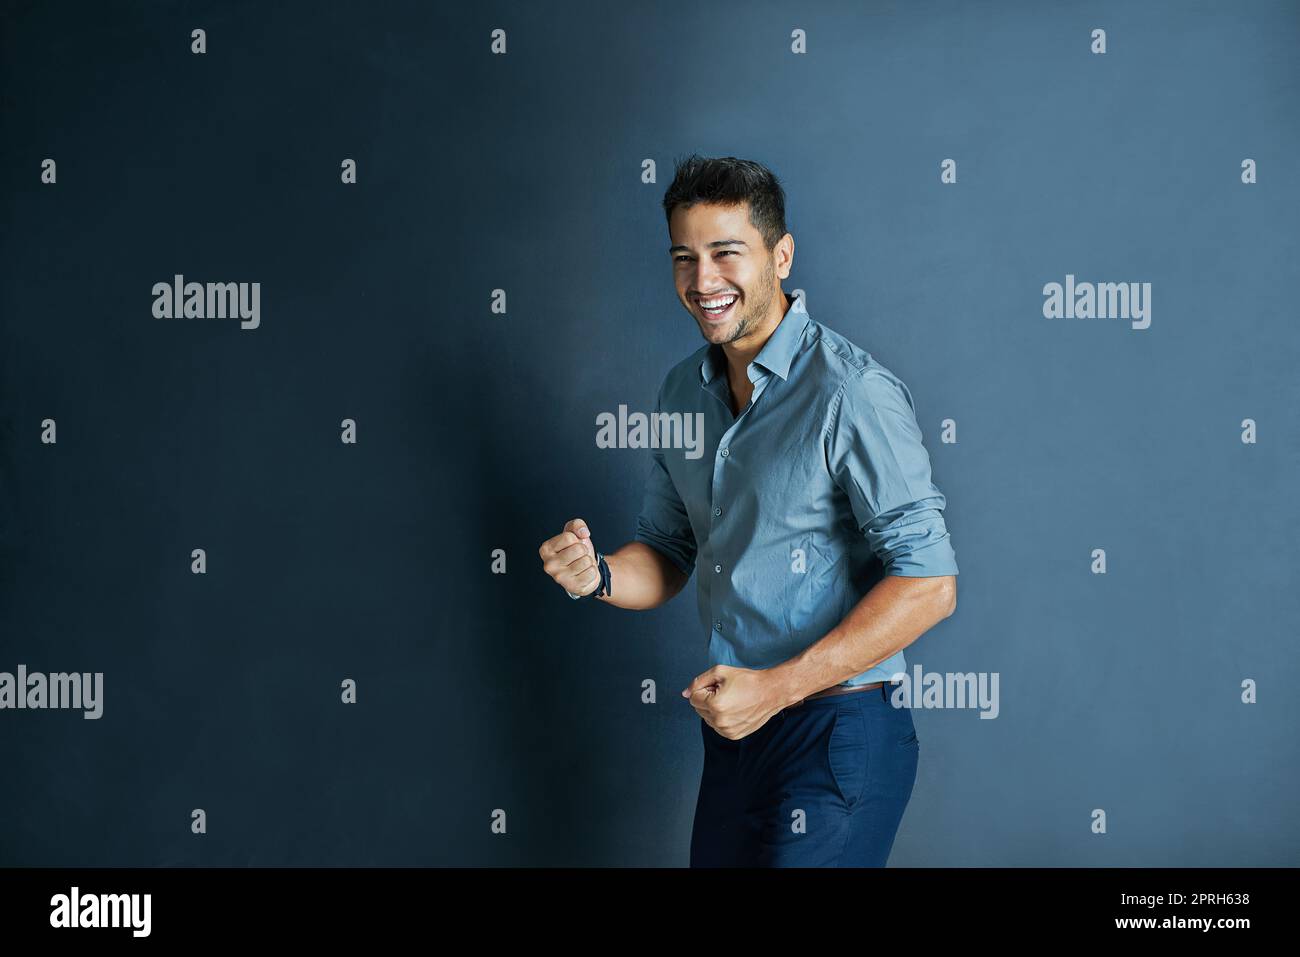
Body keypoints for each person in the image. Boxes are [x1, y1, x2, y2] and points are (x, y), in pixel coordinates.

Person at [538, 154, 958, 866]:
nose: (703, 281)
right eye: (684, 257)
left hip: (839, 730)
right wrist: (598, 575)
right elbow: (667, 552)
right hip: (735, 736)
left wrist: (778, 687)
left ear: (781, 255)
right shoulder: (680, 392)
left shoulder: (851, 393)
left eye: (726, 253)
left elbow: (930, 583)